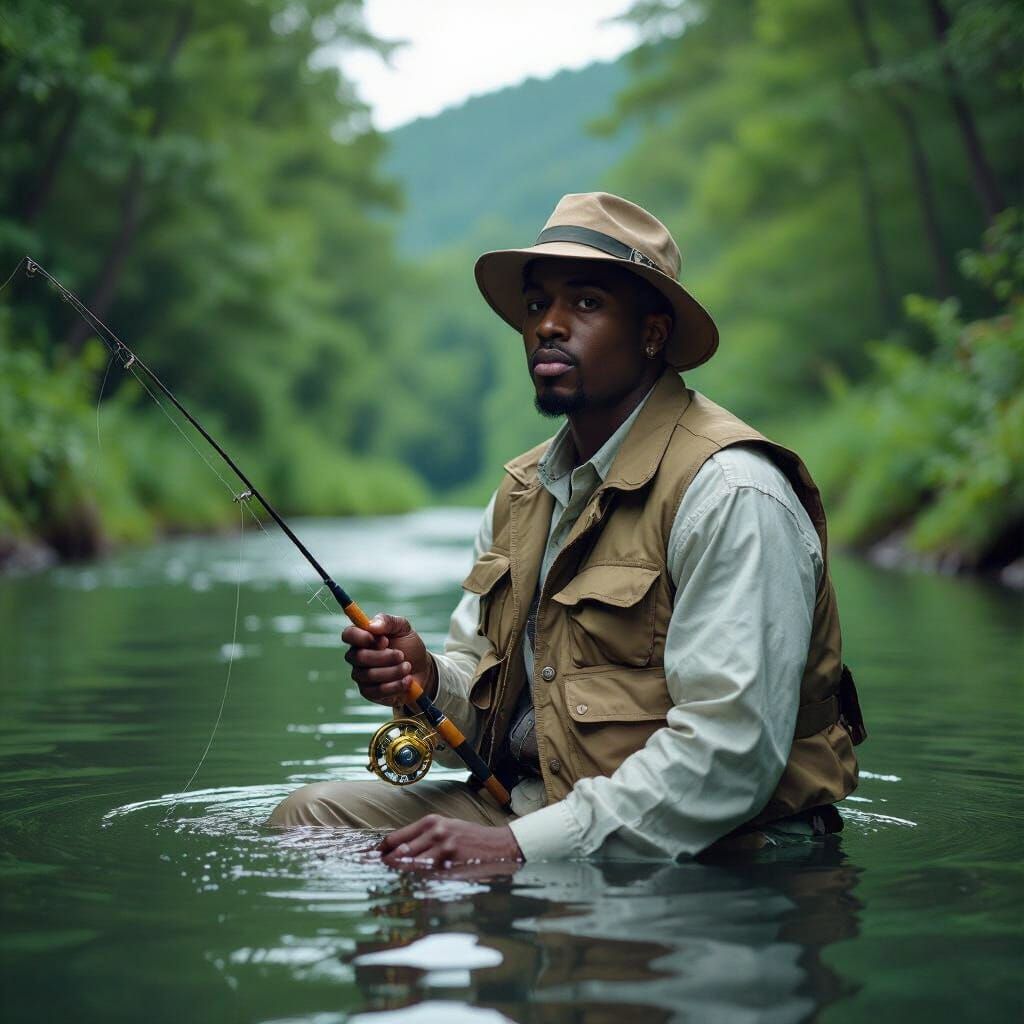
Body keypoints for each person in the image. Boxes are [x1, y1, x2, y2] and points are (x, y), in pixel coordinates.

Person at [269, 192, 866, 866]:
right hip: (537, 806)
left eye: (585, 303)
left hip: (724, 848)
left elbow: (727, 756)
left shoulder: (731, 490)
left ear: (652, 334)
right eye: (536, 305)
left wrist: (516, 849)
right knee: (307, 819)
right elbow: (493, 704)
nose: (548, 326)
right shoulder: (522, 493)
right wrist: (427, 680)